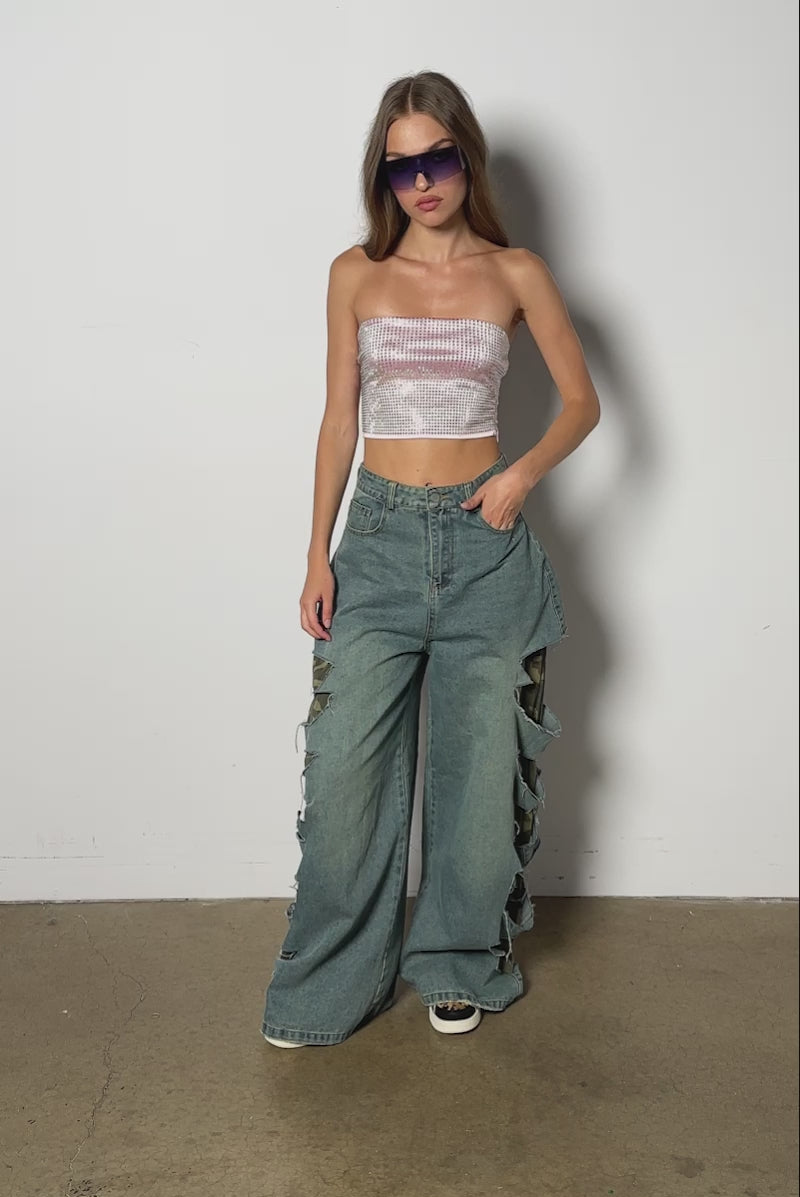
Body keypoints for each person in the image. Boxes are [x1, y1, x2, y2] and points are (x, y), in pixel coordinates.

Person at [261, 70, 600, 1049]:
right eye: (399, 166)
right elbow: (338, 421)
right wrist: (316, 554)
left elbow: (581, 402)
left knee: (478, 778)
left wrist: (520, 474)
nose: (421, 182)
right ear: (383, 174)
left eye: (438, 160)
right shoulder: (354, 273)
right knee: (344, 780)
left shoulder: (516, 272)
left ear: (466, 159)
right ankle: (329, 984)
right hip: (375, 543)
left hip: (485, 543)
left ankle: (456, 959)